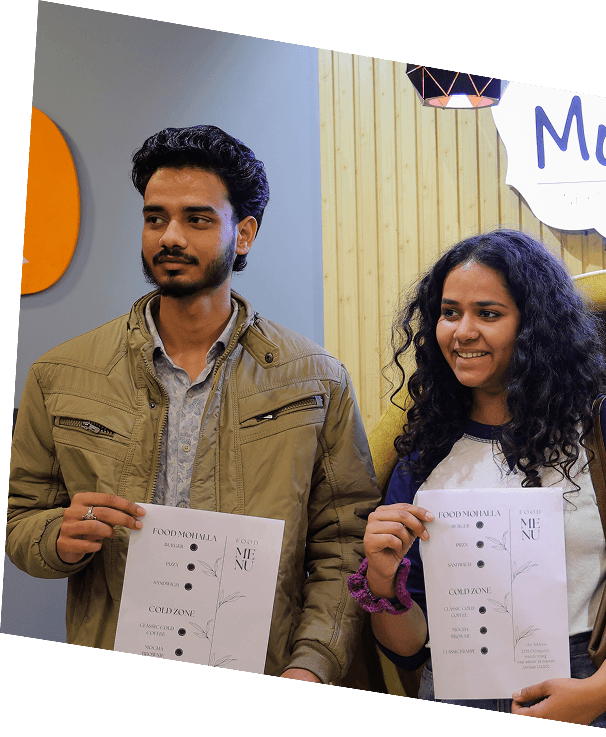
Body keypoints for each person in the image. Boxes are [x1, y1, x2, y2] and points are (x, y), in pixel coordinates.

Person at [7, 124, 379, 684]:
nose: (170, 237)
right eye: (155, 218)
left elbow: (345, 544)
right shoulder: (61, 375)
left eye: (197, 219)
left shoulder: (315, 380)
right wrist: (56, 538)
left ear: (244, 233)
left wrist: (312, 665)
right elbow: (21, 519)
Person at [348, 230, 606, 726]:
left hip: (584, 690)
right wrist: (383, 582)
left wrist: (597, 692)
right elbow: (408, 650)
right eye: (450, 312)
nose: (462, 331)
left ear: (535, 325)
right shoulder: (425, 451)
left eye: (488, 314)